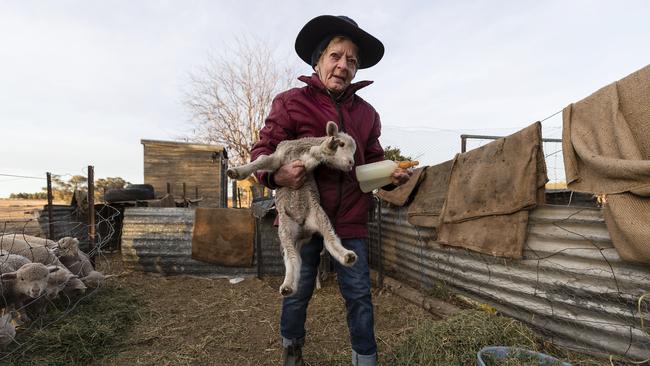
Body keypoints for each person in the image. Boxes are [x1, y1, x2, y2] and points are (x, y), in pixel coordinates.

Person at [250, 15, 410, 366]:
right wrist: (276, 178)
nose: (343, 66)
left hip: (349, 220)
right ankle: (292, 351)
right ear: (318, 61)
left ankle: (365, 359)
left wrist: (389, 175)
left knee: (359, 295)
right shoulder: (291, 102)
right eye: (336, 56)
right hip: (300, 216)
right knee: (298, 292)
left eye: (352, 60)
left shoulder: (367, 114)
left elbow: (373, 161)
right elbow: (263, 152)